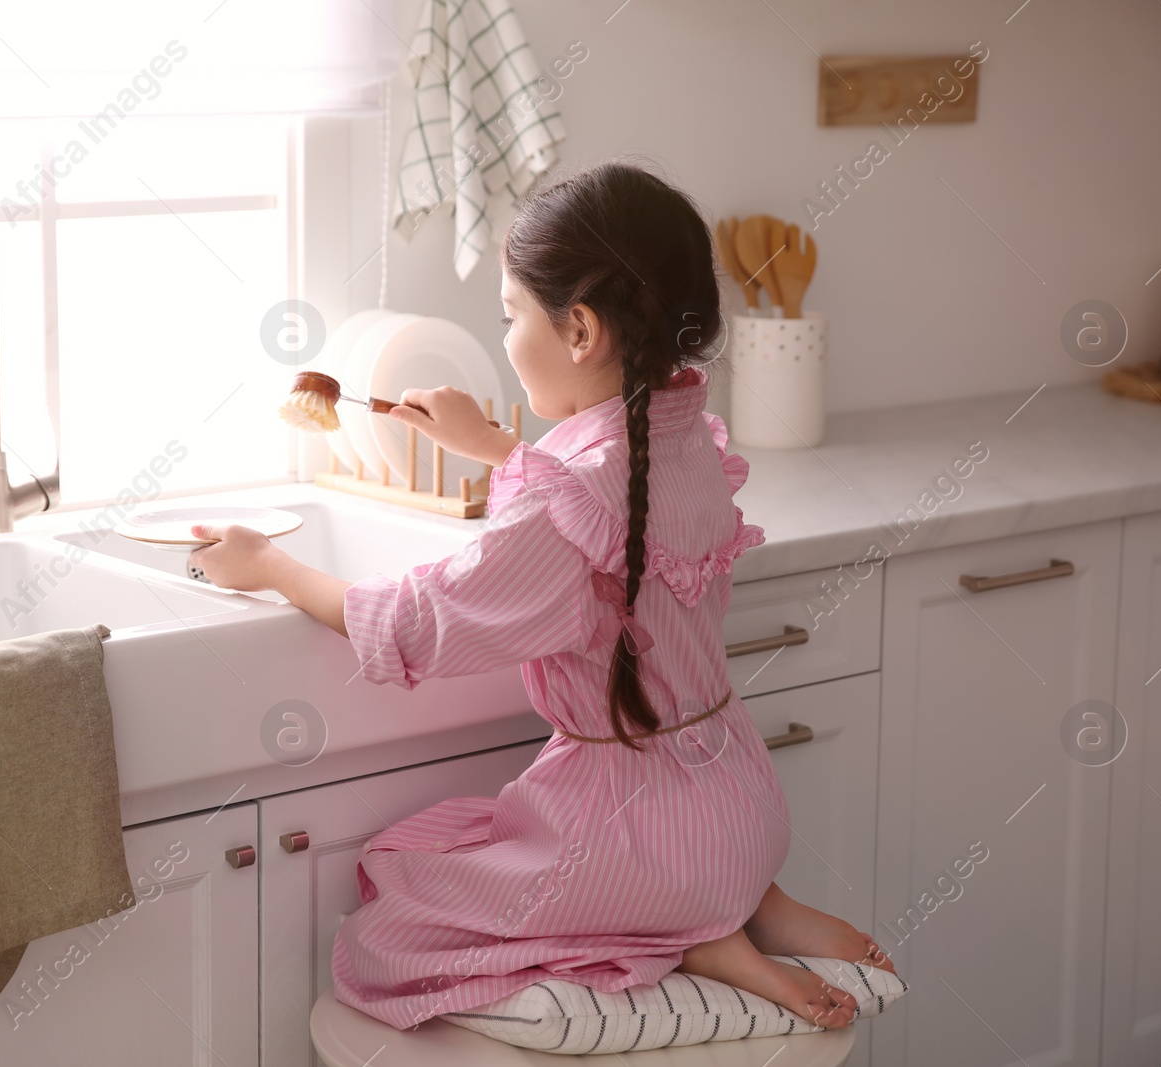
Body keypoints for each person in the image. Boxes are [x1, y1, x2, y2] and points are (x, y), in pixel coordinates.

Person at [188, 161, 894, 1033]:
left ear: (583, 329)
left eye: (510, 314)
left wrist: (270, 568)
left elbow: (420, 620)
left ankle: (690, 935)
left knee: (387, 928)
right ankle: (753, 900)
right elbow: (603, 512)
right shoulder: (688, 434)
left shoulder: (570, 497)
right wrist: (497, 448)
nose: (507, 334)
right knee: (532, 850)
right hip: (743, 804)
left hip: (644, 840)